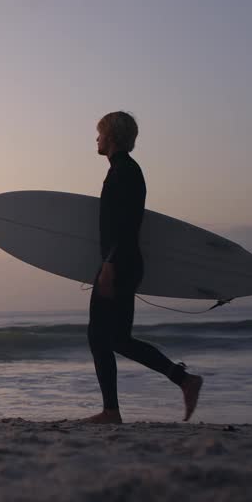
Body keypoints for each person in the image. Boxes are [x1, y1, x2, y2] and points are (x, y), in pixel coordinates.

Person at [83, 112, 204, 424]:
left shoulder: (123, 171)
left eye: (99, 133)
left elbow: (124, 225)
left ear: (110, 136)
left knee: (100, 337)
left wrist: (108, 266)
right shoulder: (125, 170)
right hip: (123, 262)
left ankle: (112, 411)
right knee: (117, 339)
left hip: (118, 263)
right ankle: (183, 381)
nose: (96, 139)